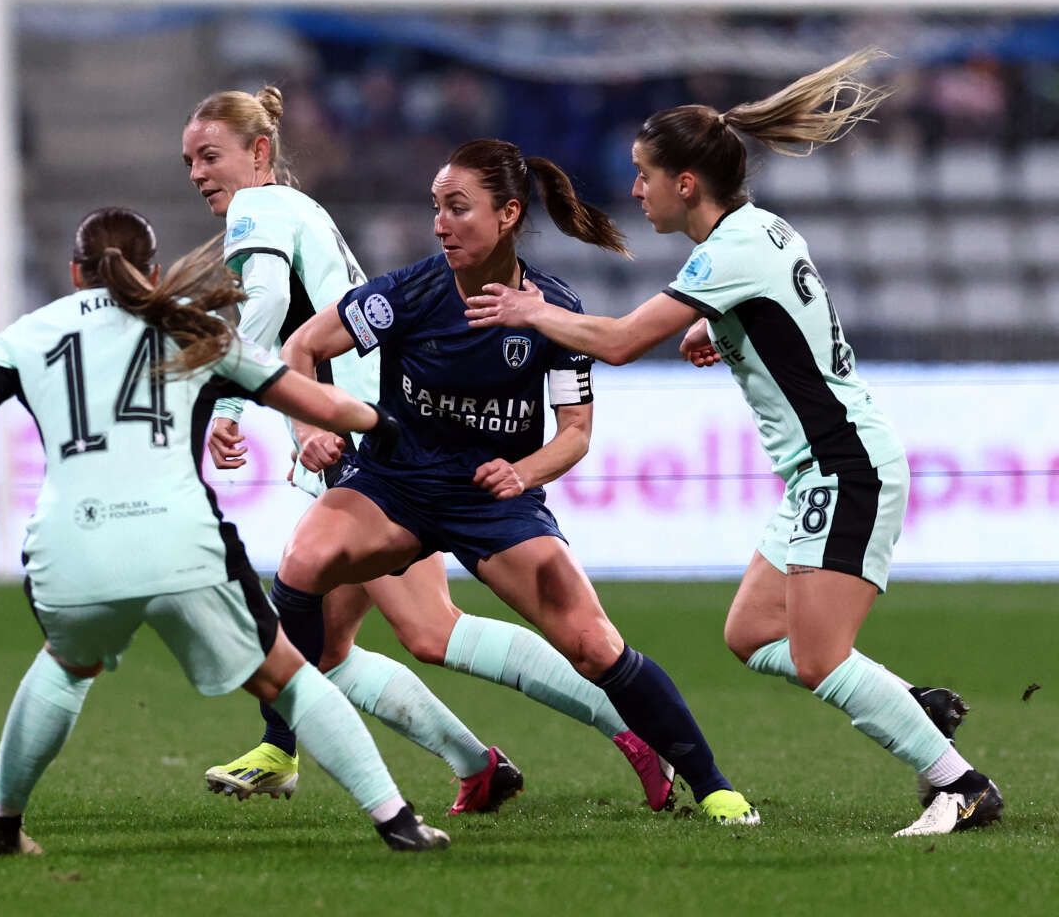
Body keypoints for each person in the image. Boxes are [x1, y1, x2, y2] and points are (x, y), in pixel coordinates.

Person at [463, 49, 1001, 838]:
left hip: (843, 465)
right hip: (818, 470)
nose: (636, 187)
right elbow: (779, 314)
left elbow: (615, 342)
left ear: (688, 184)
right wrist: (721, 328)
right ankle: (900, 702)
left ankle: (961, 785)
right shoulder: (761, 231)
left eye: (645, 173)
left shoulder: (728, 251)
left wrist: (530, 312)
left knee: (819, 657)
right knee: (750, 634)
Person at [0, 206, 450, 854]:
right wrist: (384, 426)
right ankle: (397, 821)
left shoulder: (30, 333)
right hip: (180, 545)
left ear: (75, 272)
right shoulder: (194, 331)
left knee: (65, 665)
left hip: (69, 549)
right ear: (156, 271)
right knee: (287, 676)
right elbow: (317, 402)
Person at [184, 88, 674, 815]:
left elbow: (257, 307)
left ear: (259, 152)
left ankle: (632, 730)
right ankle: (467, 765)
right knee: (345, 644)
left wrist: (224, 403)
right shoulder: (295, 209)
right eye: (189, 160)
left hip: (361, 444)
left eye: (210, 156)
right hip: (356, 423)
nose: (197, 173)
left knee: (414, 630)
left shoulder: (262, 209)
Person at [275, 137, 758, 824]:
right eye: (437, 208)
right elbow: (303, 347)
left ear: (507, 214)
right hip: (397, 485)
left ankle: (713, 785)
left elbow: (575, 434)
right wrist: (308, 429)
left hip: (491, 502)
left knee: (595, 644)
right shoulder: (407, 292)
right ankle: (279, 742)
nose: (441, 223)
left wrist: (521, 471)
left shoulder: (552, 311)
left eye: (458, 208)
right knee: (304, 561)